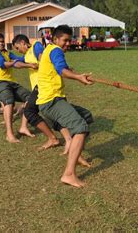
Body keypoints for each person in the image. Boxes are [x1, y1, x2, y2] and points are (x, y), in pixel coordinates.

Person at [37, 25, 94, 188]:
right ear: (55, 39)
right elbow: (61, 70)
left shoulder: (49, 50)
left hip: (52, 100)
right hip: (51, 101)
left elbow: (60, 68)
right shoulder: (55, 50)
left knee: (86, 116)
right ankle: (69, 174)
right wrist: (77, 77)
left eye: (70, 40)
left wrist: (77, 74)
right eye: (65, 40)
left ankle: (77, 155)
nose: (68, 43)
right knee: (80, 127)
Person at [11, 34, 61, 150]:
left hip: (43, 86)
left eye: (18, 48)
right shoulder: (27, 54)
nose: (19, 51)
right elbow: (18, 60)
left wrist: (39, 64)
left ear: (23, 42)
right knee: (43, 111)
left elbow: (43, 59)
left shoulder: (36, 46)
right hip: (38, 88)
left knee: (31, 111)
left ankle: (56, 138)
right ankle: (65, 138)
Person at [0, 32, 37, 143]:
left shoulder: (7, 53)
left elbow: (20, 59)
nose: (1, 44)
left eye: (2, 41)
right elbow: (2, 64)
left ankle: (23, 127)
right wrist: (28, 65)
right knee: (9, 102)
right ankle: (9, 134)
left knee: (31, 98)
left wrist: (32, 53)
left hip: (12, 83)